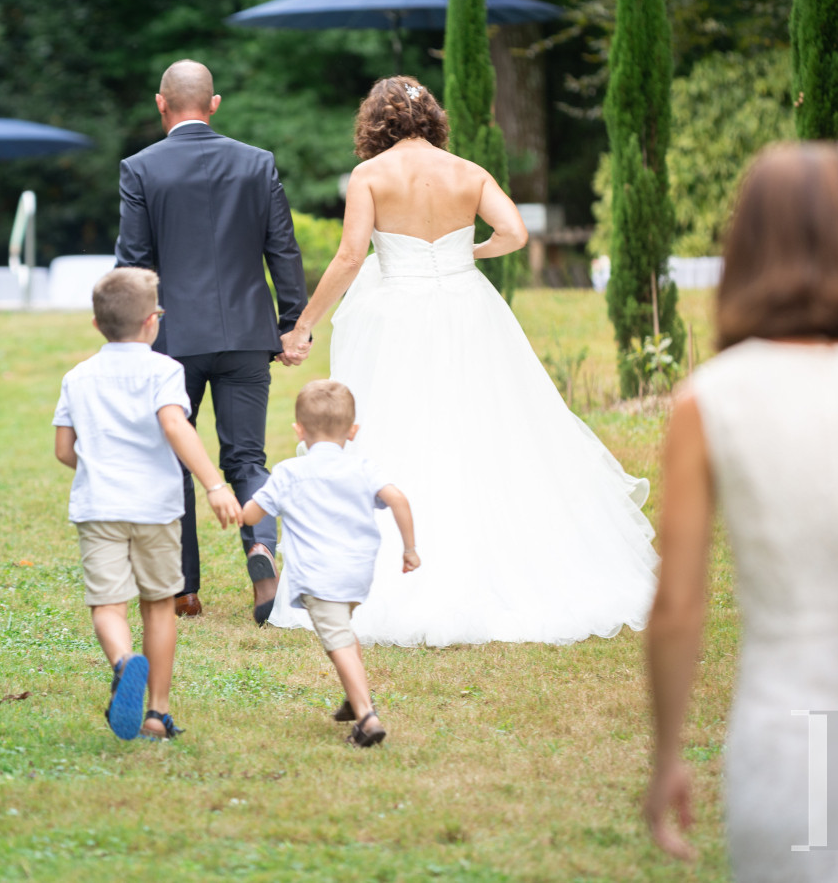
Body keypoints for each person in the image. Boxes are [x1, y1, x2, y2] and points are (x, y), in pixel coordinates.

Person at [645, 142, 838, 878]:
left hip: (790, 731)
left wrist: (667, 755)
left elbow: (680, 606)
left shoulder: (710, 399)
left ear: (745, 249)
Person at [270, 76, 657, 647]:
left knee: (395, 421)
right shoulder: (470, 172)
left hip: (394, 313)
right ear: (432, 120)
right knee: (486, 421)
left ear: (375, 122)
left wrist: (303, 325)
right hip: (467, 308)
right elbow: (516, 232)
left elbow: (353, 254)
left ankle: (387, 565)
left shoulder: (370, 176)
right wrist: (468, 252)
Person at [115, 59, 309, 624]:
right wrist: (290, 322)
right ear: (215, 103)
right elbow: (283, 249)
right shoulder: (258, 162)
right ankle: (261, 552)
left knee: (175, 457)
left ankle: (184, 590)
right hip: (249, 333)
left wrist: (133, 338)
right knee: (247, 455)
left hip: (172, 339)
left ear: (161, 103)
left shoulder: (139, 169)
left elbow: (133, 263)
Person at [53, 267, 242, 740]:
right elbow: (175, 425)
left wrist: (101, 470)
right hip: (157, 507)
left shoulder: (77, 376)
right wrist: (214, 484)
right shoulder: (165, 370)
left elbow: (62, 449)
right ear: (153, 321)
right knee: (159, 605)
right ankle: (157, 714)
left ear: (97, 324)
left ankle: (123, 660)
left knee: (107, 605)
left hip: (99, 507)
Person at [239, 380, 419, 747]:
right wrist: (409, 549)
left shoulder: (289, 472)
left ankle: (367, 717)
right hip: (356, 572)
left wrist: (239, 508)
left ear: (299, 430)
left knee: (336, 639)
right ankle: (355, 700)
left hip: (319, 574)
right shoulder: (363, 468)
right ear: (352, 432)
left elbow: (252, 513)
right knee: (344, 631)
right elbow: (397, 499)